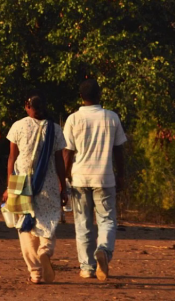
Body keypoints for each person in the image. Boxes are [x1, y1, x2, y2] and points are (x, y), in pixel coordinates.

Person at [63, 78, 127, 281]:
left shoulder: (73, 119)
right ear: (99, 95)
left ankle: (87, 268)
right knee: (107, 219)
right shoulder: (111, 118)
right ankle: (104, 251)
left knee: (82, 224)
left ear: (81, 97)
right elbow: (119, 150)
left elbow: (67, 152)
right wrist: (122, 175)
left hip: (80, 178)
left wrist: (63, 178)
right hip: (104, 177)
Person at [2, 93, 67, 284]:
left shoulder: (18, 126)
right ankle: (45, 250)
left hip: (21, 182)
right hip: (48, 183)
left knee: (24, 225)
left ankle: (36, 273)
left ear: (27, 106)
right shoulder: (55, 129)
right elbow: (59, 161)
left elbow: (12, 158)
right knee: (49, 220)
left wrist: (9, 186)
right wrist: (63, 185)